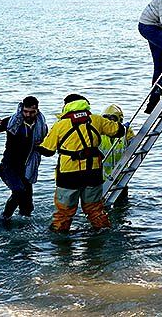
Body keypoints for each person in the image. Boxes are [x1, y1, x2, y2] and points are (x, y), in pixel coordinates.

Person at [36, 94, 126, 233]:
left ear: (66, 106)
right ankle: (101, 238)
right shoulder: (97, 120)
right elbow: (119, 131)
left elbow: (47, 151)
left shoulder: (60, 125)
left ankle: (61, 245)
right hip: (93, 173)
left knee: (64, 213)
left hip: (68, 175)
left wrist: (36, 145)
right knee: (95, 209)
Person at [0, 96, 48, 220]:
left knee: (27, 206)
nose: (28, 114)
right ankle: (4, 219)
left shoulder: (41, 126)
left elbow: (47, 148)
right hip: (9, 167)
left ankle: (25, 230)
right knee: (19, 192)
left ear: (37, 111)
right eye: (25, 111)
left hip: (27, 168)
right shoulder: (13, 121)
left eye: (32, 112)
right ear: (22, 109)